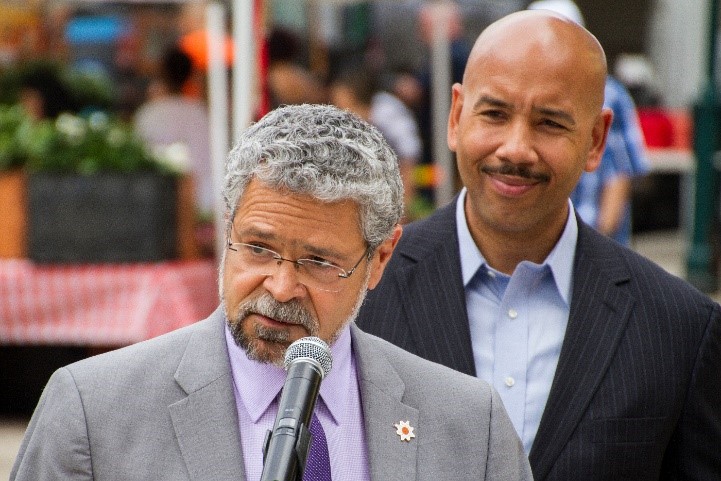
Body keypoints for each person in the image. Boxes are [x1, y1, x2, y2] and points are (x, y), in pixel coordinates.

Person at [11, 104, 532, 481]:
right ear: (226, 228)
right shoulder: (93, 411)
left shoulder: (469, 426)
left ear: (379, 259)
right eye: (258, 249)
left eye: (319, 262)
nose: (281, 287)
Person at [356, 10, 721, 481]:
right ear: (456, 116)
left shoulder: (680, 331)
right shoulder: (359, 294)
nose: (516, 148)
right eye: (495, 114)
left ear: (596, 140)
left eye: (549, 123)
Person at [528, 0, 650, 246]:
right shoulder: (523, 89)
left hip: (588, 240)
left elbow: (619, 173)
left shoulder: (609, 95)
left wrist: (598, 247)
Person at [329, 64, 422, 219]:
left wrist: (404, 205)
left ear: (352, 96)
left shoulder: (385, 112)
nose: (336, 107)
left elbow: (409, 155)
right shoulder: (346, 123)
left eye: (340, 101)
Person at [135, 45, 212, 219]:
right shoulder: (200, 113)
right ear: (191, 76)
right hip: (206, 202)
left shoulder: (148, 114)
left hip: (160, 209)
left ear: (161, 74)